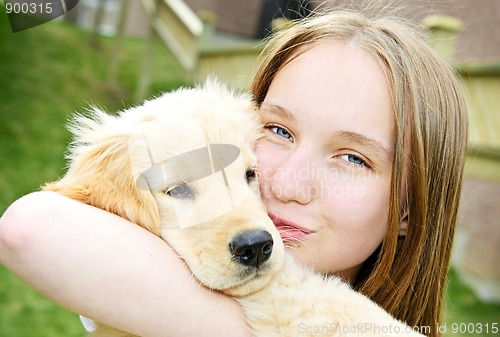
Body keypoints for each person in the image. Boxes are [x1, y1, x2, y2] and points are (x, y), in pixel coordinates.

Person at [0, 6, 468, 337]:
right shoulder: (156, 271)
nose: (285, 184)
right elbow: (29, 229)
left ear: (410, 208)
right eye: (279, 131)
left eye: (353, 158)